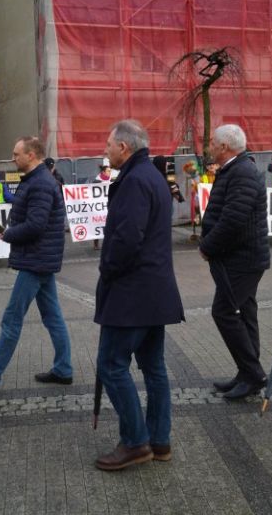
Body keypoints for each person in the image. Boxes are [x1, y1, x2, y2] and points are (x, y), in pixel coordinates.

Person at [93, 120, 184, 471]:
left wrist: (108, 270)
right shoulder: (152, 176)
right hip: (154, 291)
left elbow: (128, 238)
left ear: (124, 148)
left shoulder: (133, 181)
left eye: (108, 144)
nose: (105, 150)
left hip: (132, 293)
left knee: (112, 365)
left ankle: (135, 442)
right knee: (153, 368)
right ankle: (159, 440)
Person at [0, 136, 73, 392]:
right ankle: (64, 369)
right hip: (40, 258)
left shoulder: (40, 183)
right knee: (53, 317)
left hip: (35, 260)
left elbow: (36, 225)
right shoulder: (36, 180)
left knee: (12, 319)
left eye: (16, 154)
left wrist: (9, 234)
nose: (13, 158)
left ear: (31, 155)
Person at [198, 124, 270, 400]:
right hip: (241, 258)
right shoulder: (236, 169)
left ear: (224, 147)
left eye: (213, 143)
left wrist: (207, 246)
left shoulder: (241, 171)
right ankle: (246, 372)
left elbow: (233, 219)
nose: (210, 147)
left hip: (243, 260)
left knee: (224, 313)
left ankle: (253, 374)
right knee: (245, 313)